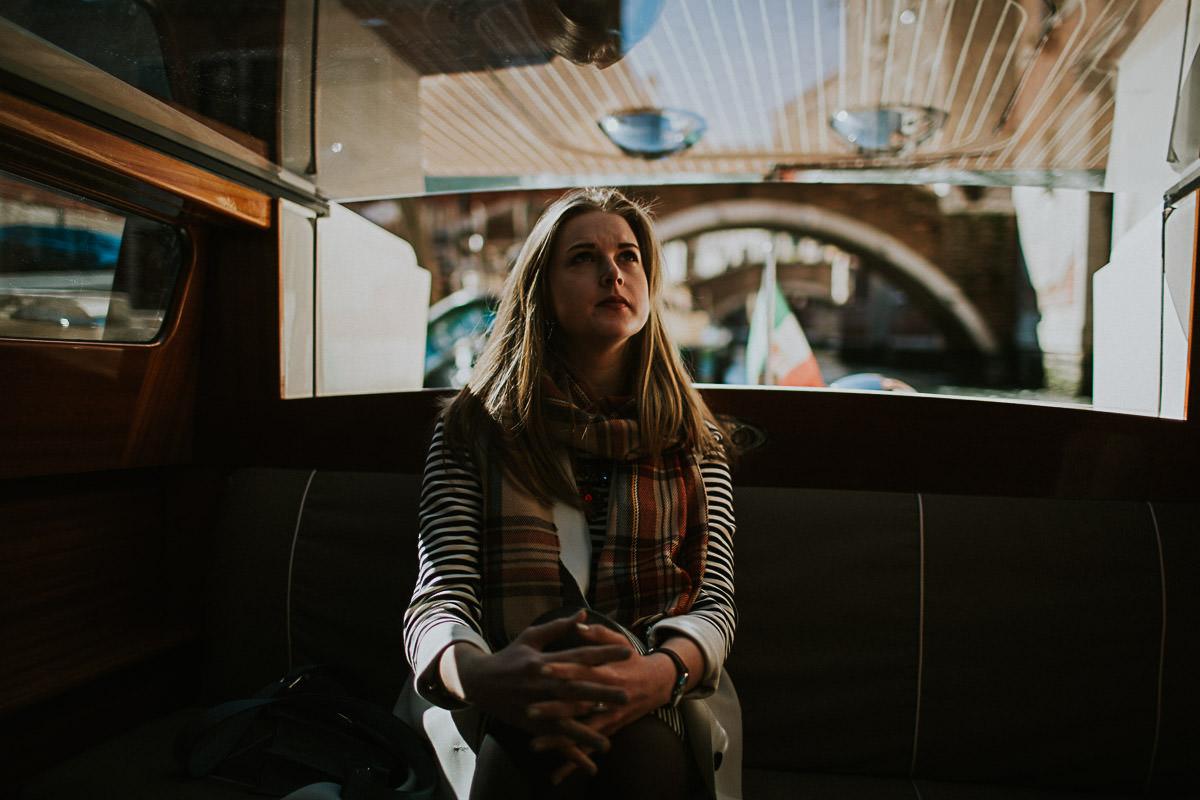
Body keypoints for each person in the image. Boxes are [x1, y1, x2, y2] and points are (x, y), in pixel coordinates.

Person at [402, 187, 738, 800]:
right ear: (542, 292)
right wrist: (484, 678)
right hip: (502, 687)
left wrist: (653, 676)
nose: (613, 271)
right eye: (584, 258)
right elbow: (441, 598)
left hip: (660, 682)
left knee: (631, 752)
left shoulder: (695, 440)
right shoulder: (472, 431)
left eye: (628, 256)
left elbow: (714, 604)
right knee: (533, 745)